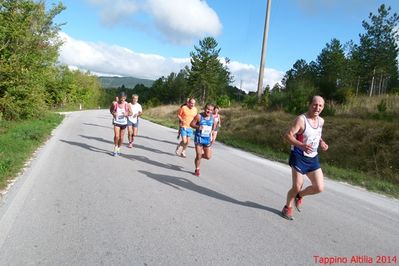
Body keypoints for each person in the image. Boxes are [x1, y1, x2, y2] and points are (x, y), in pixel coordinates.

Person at [281, 96, 329, 220]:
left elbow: (317, 135)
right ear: (309, 104)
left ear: (323, 107)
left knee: (319, 187)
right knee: (297, 185)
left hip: (313, 158)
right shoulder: (301, 120)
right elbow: (288, 135)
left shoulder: (321, 121)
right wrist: (301, 145)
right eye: (315, 104)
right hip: (298, 155)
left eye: (320, 106)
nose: (317, 108)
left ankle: (299, 196)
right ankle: (287, 207)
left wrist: (322, 142)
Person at [190, 103, 215, 176]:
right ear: (204, 108)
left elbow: (213, 128)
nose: (209, 111)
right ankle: (197, 169)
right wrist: (198, 127)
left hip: (207, 139)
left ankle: (199, 157)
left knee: (208, 157)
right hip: (199, 138)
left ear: (212, 111)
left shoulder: (212, 118)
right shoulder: (199, 116)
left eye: (211, 110)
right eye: (207, 109)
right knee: (198, 154)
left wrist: (212, 137)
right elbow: (191, 124)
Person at [110, 92, 129, 156]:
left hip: (124, 122)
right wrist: (113, 113)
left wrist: (127, 114)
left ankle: (118, 148)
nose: (122, 99)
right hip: (116, 122)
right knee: (117, 136)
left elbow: (131, 113)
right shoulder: (115, 104)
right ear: (119, 97)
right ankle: (115, 148)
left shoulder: (127, 104)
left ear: (125, 98)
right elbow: (111, 110)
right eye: (121, 98)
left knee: (121, 137)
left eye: (123, 98)